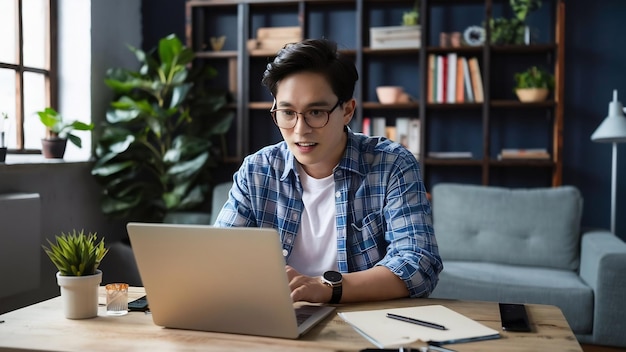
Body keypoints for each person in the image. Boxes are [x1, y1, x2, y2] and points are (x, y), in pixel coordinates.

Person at [214, 38, 442, 304]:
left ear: (347, 110)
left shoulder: (391, 165)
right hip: (277, 316)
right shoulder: (257, 171)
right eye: (288, 113)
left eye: (316, 112)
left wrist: (327, 287)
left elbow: (419, 265)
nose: (300, 130)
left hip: (363, 319)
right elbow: (220, 257)